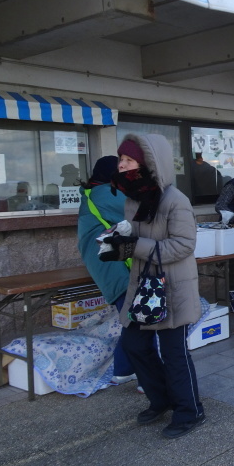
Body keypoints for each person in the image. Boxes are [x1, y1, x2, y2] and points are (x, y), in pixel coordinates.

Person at [101, 134, 205, 439]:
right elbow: (134, 239)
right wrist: (115, 244)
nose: (122, 166)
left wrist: (136, 245)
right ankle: (161, 400)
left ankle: (190, 410)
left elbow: (184, 245)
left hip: (173, 288)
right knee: (134, 345)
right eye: (121, 160)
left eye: (129, 160)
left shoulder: (176, 200)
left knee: (175, 353)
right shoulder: (133, 199)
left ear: (148, 163)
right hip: (144, 286)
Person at [77, 156, 136, 387]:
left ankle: (123, 369)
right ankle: (144, 377)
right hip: (116, 267)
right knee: (138, 323)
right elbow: (142, 215)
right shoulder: (106, 193)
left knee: (133, 321)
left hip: (109, 265)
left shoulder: (94, 193)